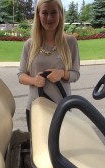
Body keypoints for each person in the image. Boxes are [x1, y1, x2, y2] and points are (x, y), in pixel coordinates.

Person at [17, 0, 80, 131]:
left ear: (60, 14)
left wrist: (62, 73)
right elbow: (21, 75)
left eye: (53, 12)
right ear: (38, 15)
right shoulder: (30, 44)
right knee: (39, 149)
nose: (49, 18)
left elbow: (75, 74)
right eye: (45, 13)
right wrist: (34, 80)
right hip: (36, 108)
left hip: (61, 108)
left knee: (63, 148)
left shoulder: (70, 42)